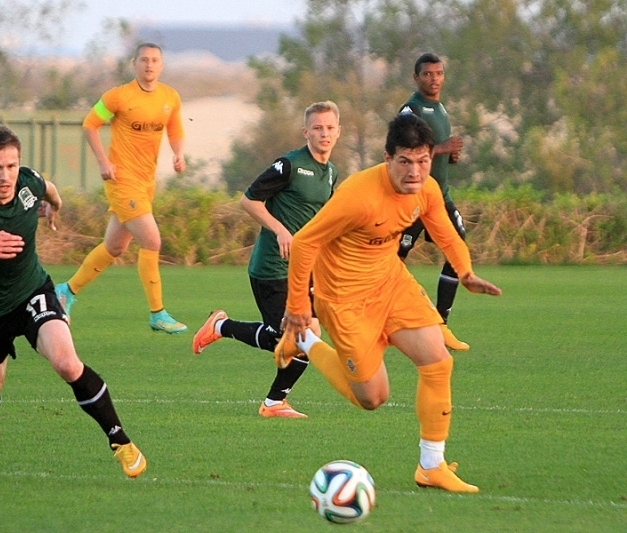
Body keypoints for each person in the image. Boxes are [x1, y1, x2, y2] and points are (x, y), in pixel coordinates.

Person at [276, 113, 501, 493]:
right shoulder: (357, 197)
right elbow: (304, 243)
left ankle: (431, 466)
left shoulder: (426, 189)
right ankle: (304, 340)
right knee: (372, 398)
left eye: (423, 161)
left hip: (391, 284)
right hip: (344, 299)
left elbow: (446, 233)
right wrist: (298, 307)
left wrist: (465, 272)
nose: (415, 172)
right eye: (405, 162)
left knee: (437, 361)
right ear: (387, 158)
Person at [0, 124, 147, 480]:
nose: (5, 176)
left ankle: (121, 441)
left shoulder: (28, 183)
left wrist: (55, 206)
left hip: (33, 292)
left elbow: (49, 188)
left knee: (68, 364)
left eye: (11, 166)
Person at [191, 101, 341, 419]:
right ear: (306, 132)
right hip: (272, 267)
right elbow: (249, 200)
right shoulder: (289, 165)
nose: (324, 133)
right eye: (317, 128)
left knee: (308, 335)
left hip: (304, 269)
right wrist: (281, 230)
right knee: (291, 339)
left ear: (338, 132)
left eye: (329, 128)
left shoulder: (331, 173)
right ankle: (222, 326)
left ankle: (274, 403)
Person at [54, 42, 187, 334]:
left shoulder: (170, 97)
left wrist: (178, 153)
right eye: (144, 60)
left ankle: (65, 291)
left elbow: (175, 129)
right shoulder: (118, 96)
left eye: (154, 60)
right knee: (152, 241)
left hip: (146, 182)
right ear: (134, 64)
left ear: (161, 65)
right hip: (122, 180)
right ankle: (158, 313)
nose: (149, 65)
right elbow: (90, 124)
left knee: (115, 247)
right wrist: (104, 162)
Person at [398, 52, 470, 351]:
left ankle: (440, 321)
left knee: (458, 251)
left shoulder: (440, 109)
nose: (434, 79)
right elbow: (404, 150)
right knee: (392, 260)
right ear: (416, 78)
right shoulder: (411, 110)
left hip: (439, 196)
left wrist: (448, 155)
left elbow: (433, 153)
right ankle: (381, 316)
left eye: (438, 73)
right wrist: (442, 148)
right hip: (412, 198)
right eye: (427, 74)